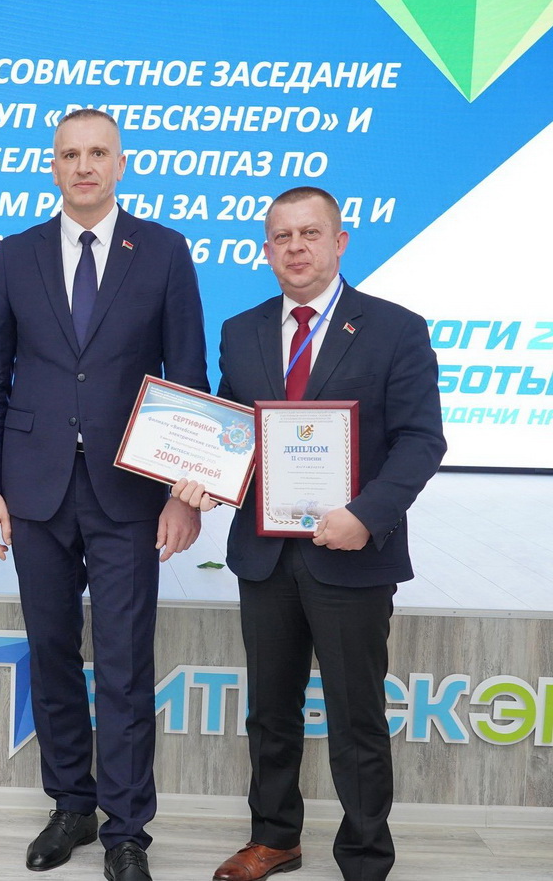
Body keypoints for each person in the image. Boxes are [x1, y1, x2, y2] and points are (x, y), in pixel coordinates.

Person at [172, 186, 446, 881]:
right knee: (270, 711)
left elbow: (421, 440)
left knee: (356, 716)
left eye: (310, 233)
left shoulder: (395, 328)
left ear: (339, 241)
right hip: (264, 554)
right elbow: (235, 431)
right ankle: (274, 839)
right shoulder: (242, 330)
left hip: (350, 553)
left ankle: (365, 856)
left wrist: (367, 514)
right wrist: (203, 477)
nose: (296, 248)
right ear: (266, 250)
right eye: (282, 237)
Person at [0, 108, 208, 881]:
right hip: (34, 489)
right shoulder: (15, 254)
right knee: (50, 652)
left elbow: (188, 377)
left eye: (97, 152)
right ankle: (71, 803)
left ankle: (127, 831)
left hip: (130, 492)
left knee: (125, 662)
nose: (83, 166)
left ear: (120, 163)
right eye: (70, 154)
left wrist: (186, 494)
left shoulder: (163, 251)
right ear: (54, 166)